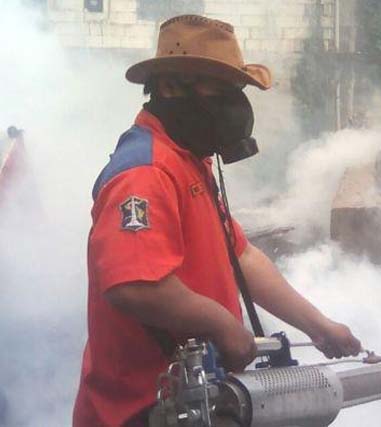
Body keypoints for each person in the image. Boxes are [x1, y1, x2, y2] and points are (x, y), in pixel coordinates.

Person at [73, 15, 362, 427]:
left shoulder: (188, 160)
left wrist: (319, 326)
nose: (233, 104)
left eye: (235, 91)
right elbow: (134, 285)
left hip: (197, 400)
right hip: (142, 410)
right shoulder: (146, 171)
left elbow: (240, 256)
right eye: (220, 89)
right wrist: (223, 326)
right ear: (171, 86)